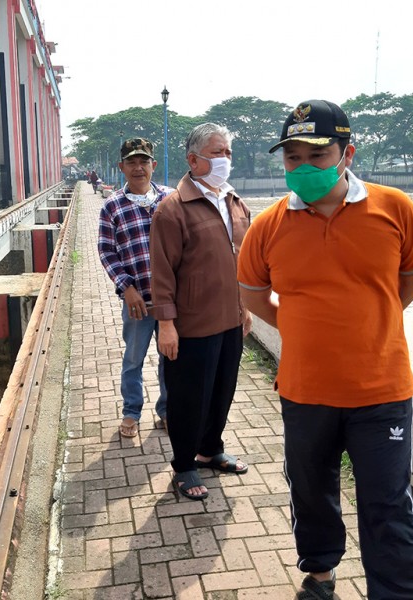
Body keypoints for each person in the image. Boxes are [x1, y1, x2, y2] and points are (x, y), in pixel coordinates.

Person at [237, 100, 413, 599]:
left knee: (386, 503)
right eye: (292, 158)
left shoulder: (395, 208)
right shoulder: (268, 225)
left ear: (347, 154)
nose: (302, 167)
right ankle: (320, 574)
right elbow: (253, 295)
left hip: (382, 390)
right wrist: (302, 328)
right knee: (311, 490)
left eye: (316, 156)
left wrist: (373, 319)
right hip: (305, 391)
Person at [149, 123, 252, 501]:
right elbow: (162, 272)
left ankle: (210, 450)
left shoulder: (235, 202)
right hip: (192, 325)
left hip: (230, 320)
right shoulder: (173, 209)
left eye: (228, 152)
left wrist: (246, 308)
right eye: (217, 152)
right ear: (193, 160)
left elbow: (245, 262)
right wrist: (166, 324)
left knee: (223, 390)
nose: (225, 159)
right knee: (189, 397)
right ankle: (184, 465)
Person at [98, 138, 174, 438]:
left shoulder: (170, 199)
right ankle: (131, 412)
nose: (138, 167)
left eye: (143, 161)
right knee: (133, 359)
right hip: (137, 301)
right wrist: (126, 288)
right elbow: (107, 251)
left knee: (170, 357)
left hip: (171, 300)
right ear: (122, 167)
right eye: (131, 162)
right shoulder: (112, 206)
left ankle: (166, 409)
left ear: (153, 165)